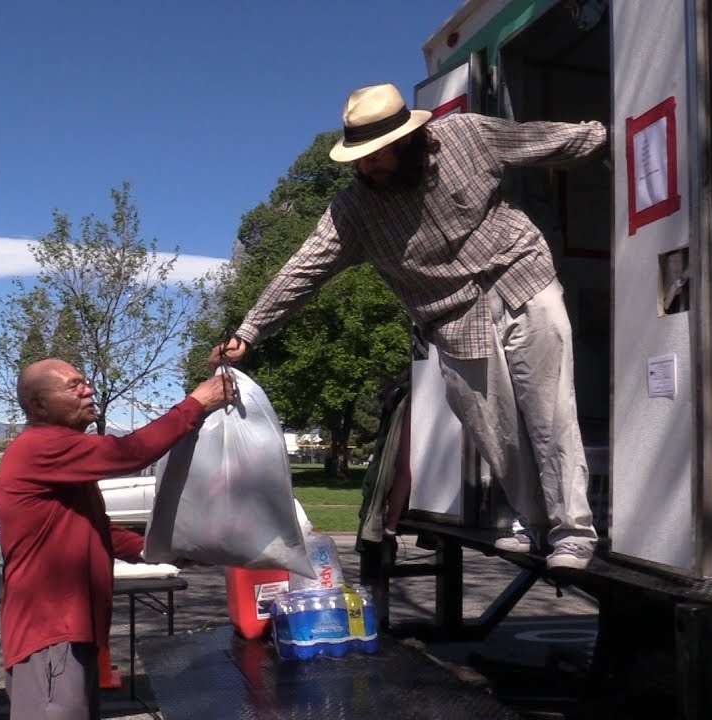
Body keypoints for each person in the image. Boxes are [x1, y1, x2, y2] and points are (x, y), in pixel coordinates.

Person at [209, 83, 605, 571]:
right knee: (494, 429)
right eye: (359, 156)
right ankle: (535, 520)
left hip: (520, 276)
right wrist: (249, 330)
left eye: (375, 154)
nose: (365, 166)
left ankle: (572, 532)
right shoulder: (354, 211)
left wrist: (605, 136)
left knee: (550, 410)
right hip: (453, 316)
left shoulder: (467, 135)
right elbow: (302, 269)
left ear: (406, 140)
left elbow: (537, 140)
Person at [0, 358, 232, 720]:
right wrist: (195, 404)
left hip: (74, 631)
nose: (88, 389)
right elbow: (131, 452)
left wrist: (162, 551)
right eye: (73, 386)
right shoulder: (40, 446)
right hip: (49, 634)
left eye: (85, 381)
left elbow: (94, 528)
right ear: (39, 405)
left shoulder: (61, 454)